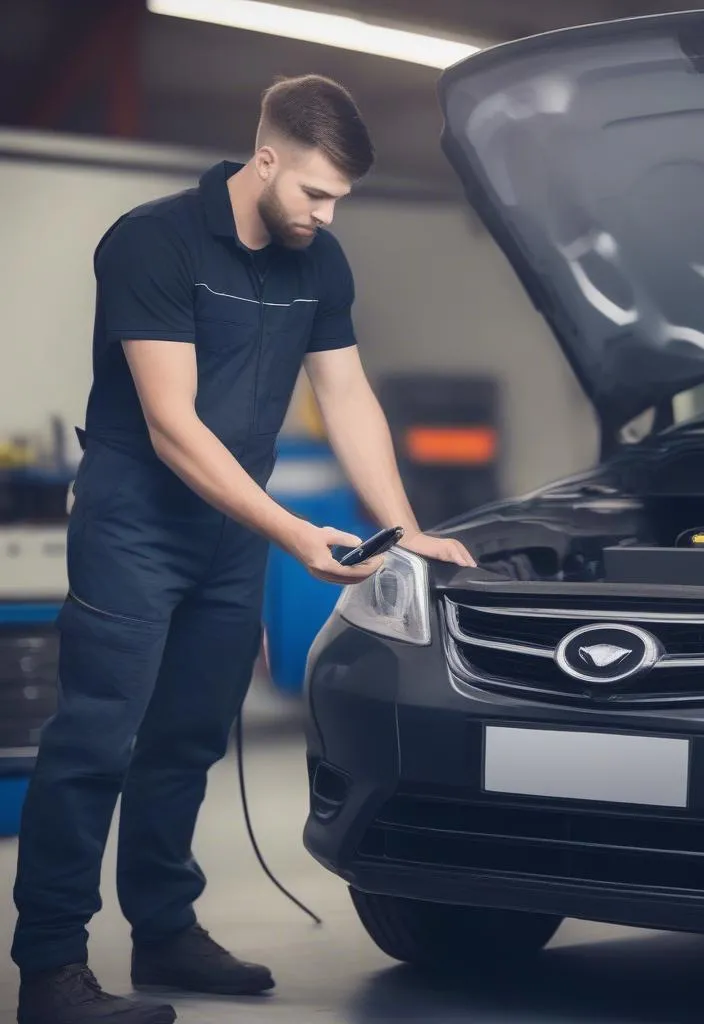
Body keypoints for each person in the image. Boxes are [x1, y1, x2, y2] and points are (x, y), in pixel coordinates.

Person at [12, 74, 475, 1024]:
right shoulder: (154, 241)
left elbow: (346, 397)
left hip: (231, 533)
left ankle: (165, 931)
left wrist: (407, 526)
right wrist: (299, 533)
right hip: (135, 522)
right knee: (96, 738)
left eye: (341, 195)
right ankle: (52, 966)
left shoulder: (320, 262)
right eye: (314, 191)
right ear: (265, 158)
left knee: (185, 738)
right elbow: (172, 426)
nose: (327, 211)